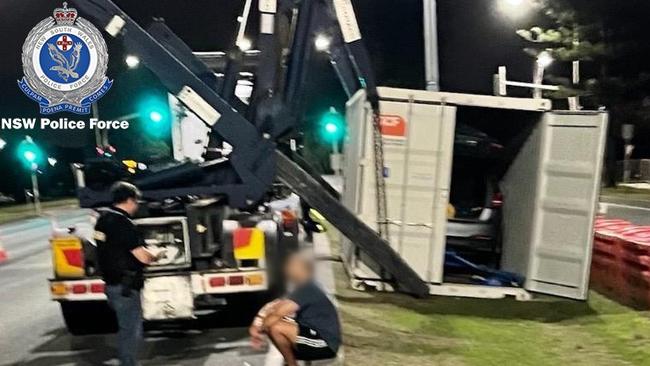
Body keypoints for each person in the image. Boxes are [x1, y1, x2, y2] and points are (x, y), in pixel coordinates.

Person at [94, 182, 157, 366]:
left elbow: (108, 247)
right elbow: (143, 257)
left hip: (112, 284)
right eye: (136, 201)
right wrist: (156, 253)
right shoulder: (124, 223)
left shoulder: (103, 220)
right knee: (131, 332)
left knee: (126, 328)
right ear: (130, 200)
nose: (137, 205)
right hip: (126, 287)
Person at [249, 252, 341, 366]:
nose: (287, 270)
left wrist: (259, 331)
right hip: (314, 335)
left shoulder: (308, 289)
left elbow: (278, 312)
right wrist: (257, 323)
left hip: (325, 344)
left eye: (291, 266)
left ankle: (291, 364)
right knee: (277, 325)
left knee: (276, 327)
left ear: (302, 270)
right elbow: (275, 306)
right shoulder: (303, 288)